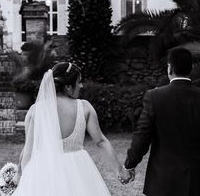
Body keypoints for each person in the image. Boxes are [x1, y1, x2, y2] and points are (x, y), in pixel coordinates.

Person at [13, 62, 125, 195]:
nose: (81, 85)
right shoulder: (85, 107)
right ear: (67, 87)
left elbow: (28, 151)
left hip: (44, 170)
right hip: (77, 169)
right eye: (79, 82)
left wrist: (22, 176)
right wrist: (119, 170)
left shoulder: (35, 111)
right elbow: (101, 142)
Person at [122, 47, 200, 196]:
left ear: (170, 68)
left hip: (162, 180)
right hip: (194, 180)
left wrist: (130, 164)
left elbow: (142, 135)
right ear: (191, 68)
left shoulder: (154, 97)